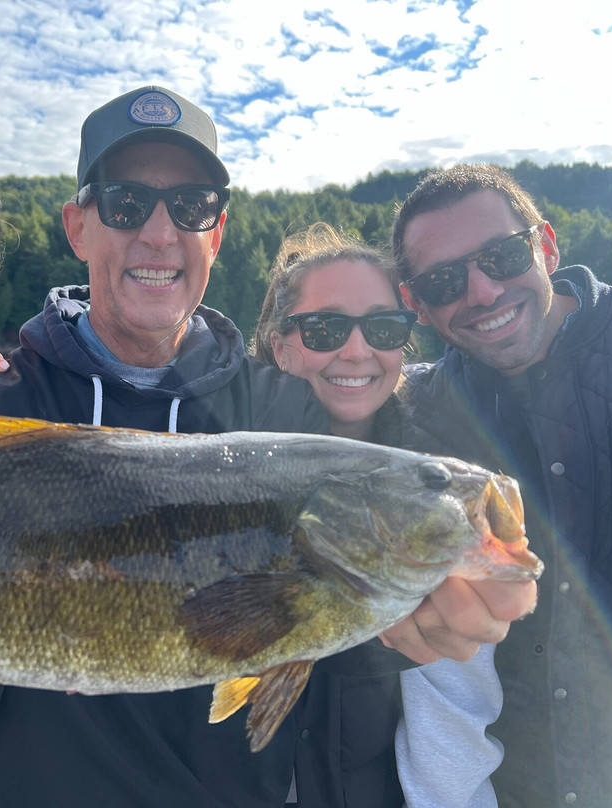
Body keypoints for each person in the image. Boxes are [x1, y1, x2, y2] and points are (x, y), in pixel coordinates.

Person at [0, 87, 537, 808]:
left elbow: (342, 675)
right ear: (79, 227)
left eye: (190, 207)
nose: (159, 234)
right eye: (126, 204)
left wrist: (435, 616)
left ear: (216, 234)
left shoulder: (292, 413)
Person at [391, 163, 612, 807]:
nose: (483, 291)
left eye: (502, 255)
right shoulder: (418, 414)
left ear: (545, 245)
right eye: (443, 281)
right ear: (415, 304)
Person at [253, 222, 505, 808]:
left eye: (384, 328)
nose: (357, 351)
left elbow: (452, 728)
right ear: (278, 344)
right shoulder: (214, 458)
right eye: (325, 328)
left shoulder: (436, 509)